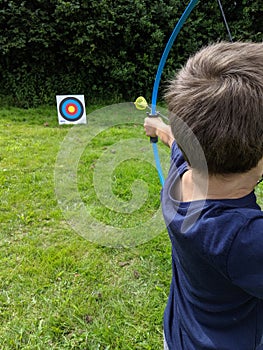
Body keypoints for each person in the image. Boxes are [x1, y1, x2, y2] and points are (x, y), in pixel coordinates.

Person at [144, 42, 263, 350]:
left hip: (180, 336)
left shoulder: (182, 173)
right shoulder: (244, 239)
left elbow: (175, 141)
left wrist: (157, 127)